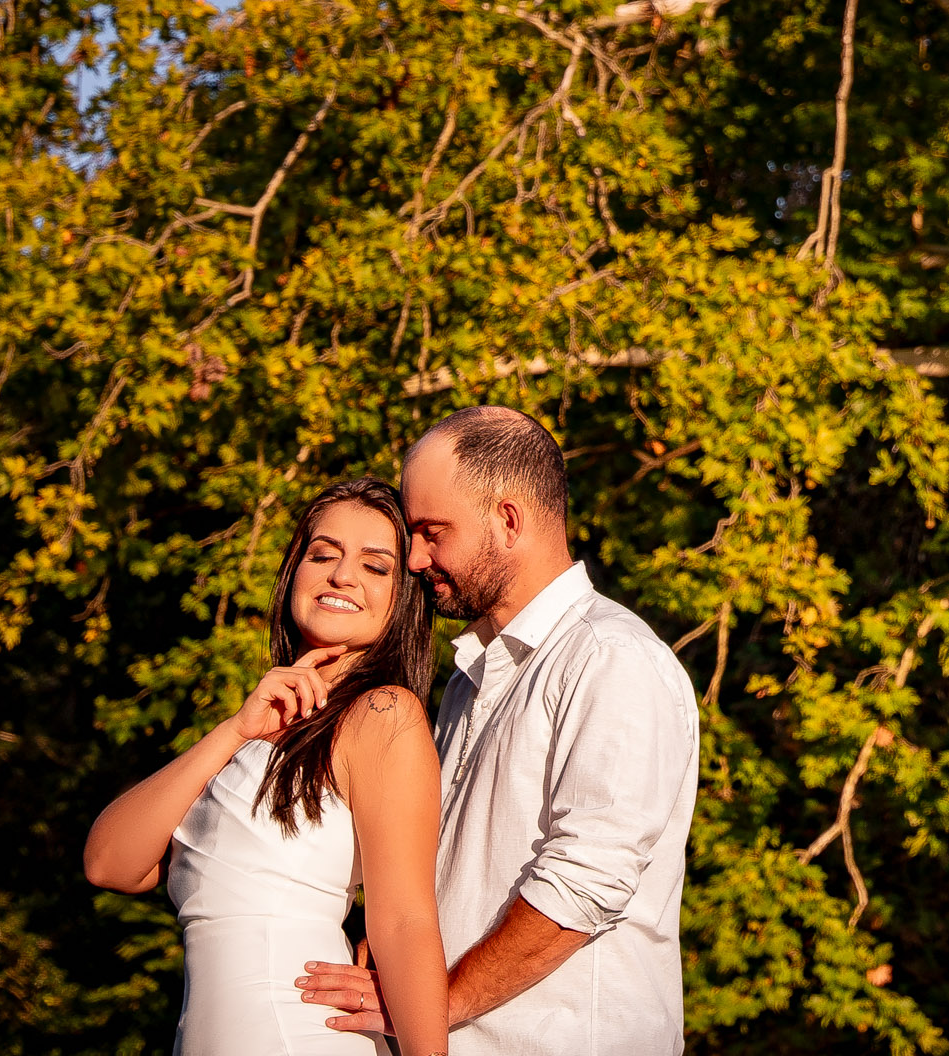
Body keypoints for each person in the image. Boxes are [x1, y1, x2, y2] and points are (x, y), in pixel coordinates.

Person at [295, 405, 701, 1055]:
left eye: (431, 531)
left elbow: (586, 881)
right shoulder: (467, 680)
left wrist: (429, 1004)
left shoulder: (610, 658)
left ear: (508, 520)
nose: (415, 556)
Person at [84, 477, 450, 1055]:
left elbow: (404, 919)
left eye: (376, 566)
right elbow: (109, 864)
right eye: (322, 554)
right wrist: (234, 731)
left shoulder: (383, 712)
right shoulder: (257, 733)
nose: (342, 576)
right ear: (292, 574)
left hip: (295, 1032)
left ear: (403, 597)